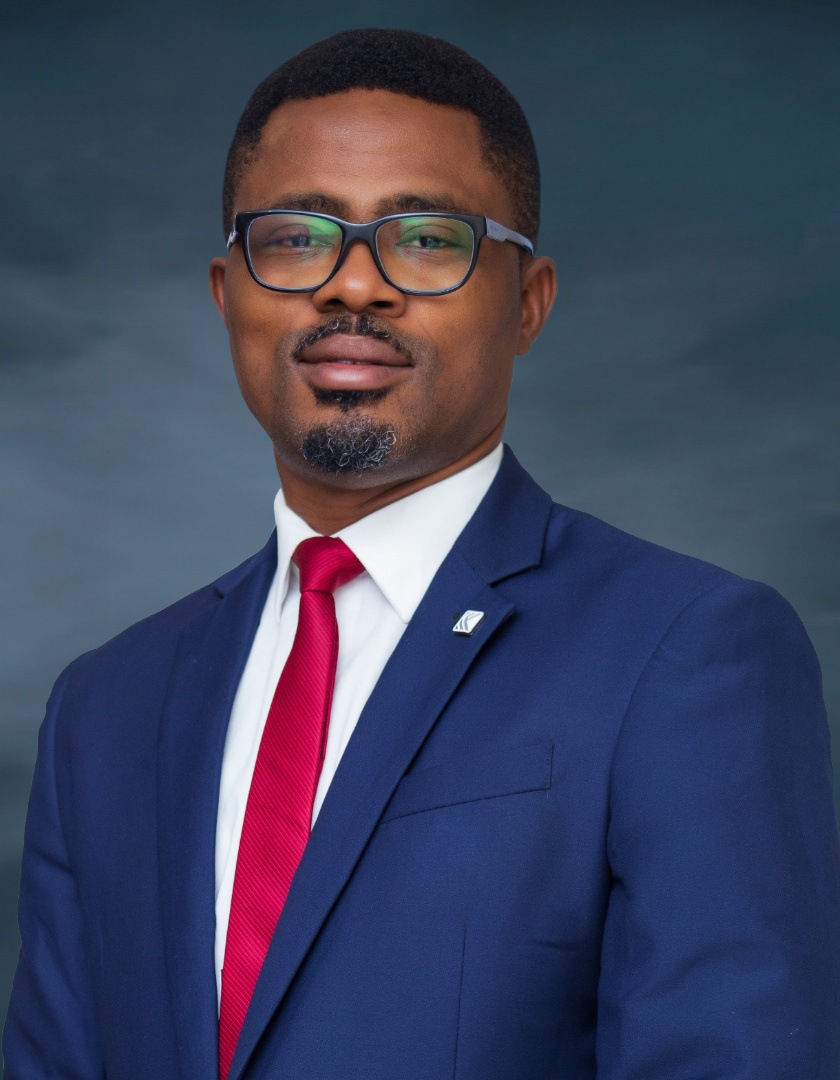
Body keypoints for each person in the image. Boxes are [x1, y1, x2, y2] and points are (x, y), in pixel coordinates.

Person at [4, 26, 839, 1080]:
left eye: (428, 239)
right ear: (228, 295)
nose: (354, 287)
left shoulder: (688, 653)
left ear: (527, 303)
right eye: (299, 236)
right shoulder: (106, 706)